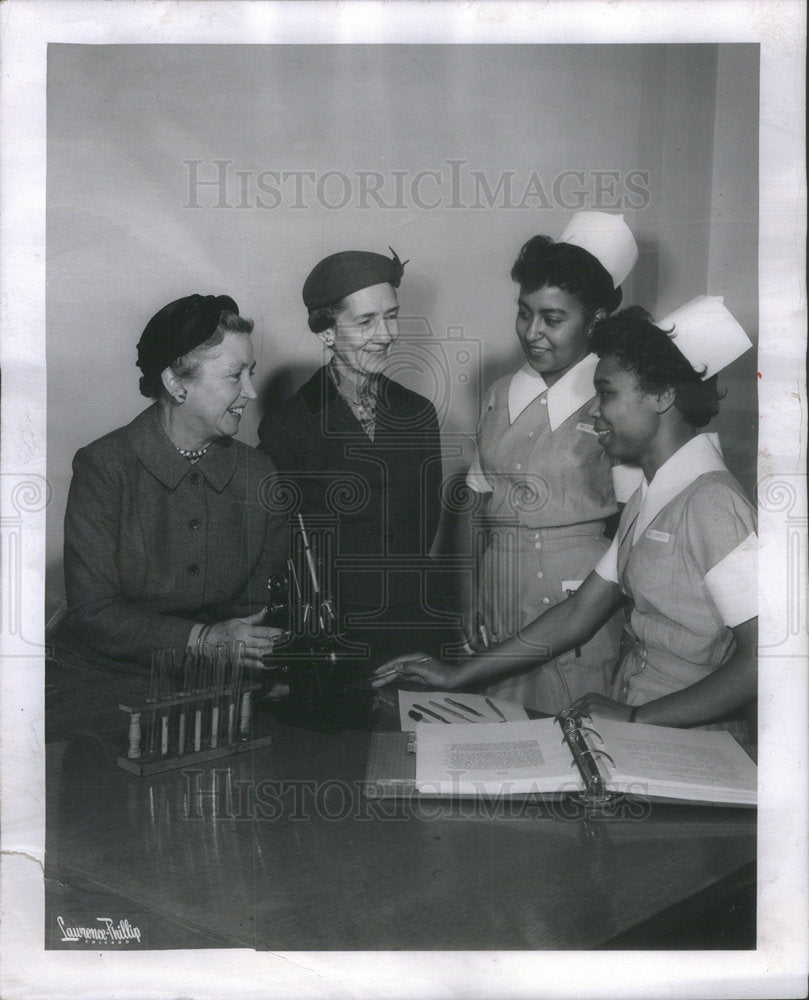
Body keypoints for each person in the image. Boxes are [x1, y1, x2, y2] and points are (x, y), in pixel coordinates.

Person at [375, 298, 757, 739]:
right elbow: (578, 613)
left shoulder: (712, 502)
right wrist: (457, 674)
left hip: (691, 740)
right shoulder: (652, 496)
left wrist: (635, 719)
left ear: (662, 395)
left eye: (608, 393)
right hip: (639, 723)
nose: (594, 410)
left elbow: (765, 658)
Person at [465, 212, 639, 713]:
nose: (532, 332)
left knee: (573, 735)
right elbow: (474, 502)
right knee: (498, 734)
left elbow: (634, 523)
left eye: (553, 318)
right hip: (499, 593)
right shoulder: (501, 394)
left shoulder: (612, 401)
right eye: (524, 313)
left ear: (596, 319)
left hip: (577, 601)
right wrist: (467, 594)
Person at [58, 294, 287, 670]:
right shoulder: (103, 467)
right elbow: (93, 612)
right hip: (109, 676)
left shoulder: (260, 473)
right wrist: (202, 639)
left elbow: (258, 609)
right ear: (176, 383)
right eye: (235, 375)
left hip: (223, 678)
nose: (251, 392)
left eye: (252, 373)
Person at [257, 248, 450, 670]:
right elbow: (280, 549)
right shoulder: (287, 427)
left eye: (392, 315)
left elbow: (425, 524)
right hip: (329, 641)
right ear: (327, 332)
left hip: (415, 632)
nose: (386, 335)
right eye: (366, 321)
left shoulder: (418, 413)